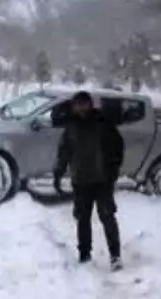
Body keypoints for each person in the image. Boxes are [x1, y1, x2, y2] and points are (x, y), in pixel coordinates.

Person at [53, 91, 125, 271]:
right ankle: (84, 255)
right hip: (81, 181)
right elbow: (64, 151)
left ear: (90, 105)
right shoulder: (71, 126)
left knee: (107, 217)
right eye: (78, 104)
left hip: (103, 181)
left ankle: (115, 256)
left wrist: (113, 170)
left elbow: (118, 147)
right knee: (82, 219)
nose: (81, 108)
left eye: (84, 104)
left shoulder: (102, 123)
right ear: (74, 106)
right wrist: (58, 172)